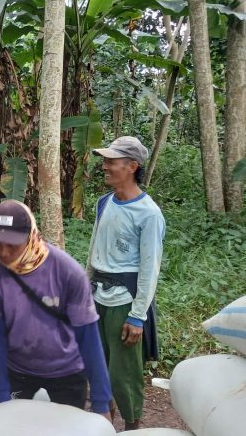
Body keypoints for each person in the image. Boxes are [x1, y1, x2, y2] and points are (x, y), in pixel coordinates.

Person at [0, 200, 113, 422]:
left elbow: (88, 337)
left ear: (30, 236)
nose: (3, 252)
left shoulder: (67, 272)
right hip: (17, 369)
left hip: (67, 370)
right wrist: (2, 394)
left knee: (66, 428)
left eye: (11, 244)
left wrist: (100, 400)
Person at [88, 136, 165, 431]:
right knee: (99, 363)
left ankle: (133, 426)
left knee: (125, 372)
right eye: (105, 161)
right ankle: (105, 421)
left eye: (111, 162)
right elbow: (96, 248)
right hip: (98, 296)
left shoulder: (149, 214)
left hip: (124, 301)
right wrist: (86, 286)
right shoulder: (104, 202)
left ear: (132, 166)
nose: (105, 166)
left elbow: (150, 268)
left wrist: (137, 315)